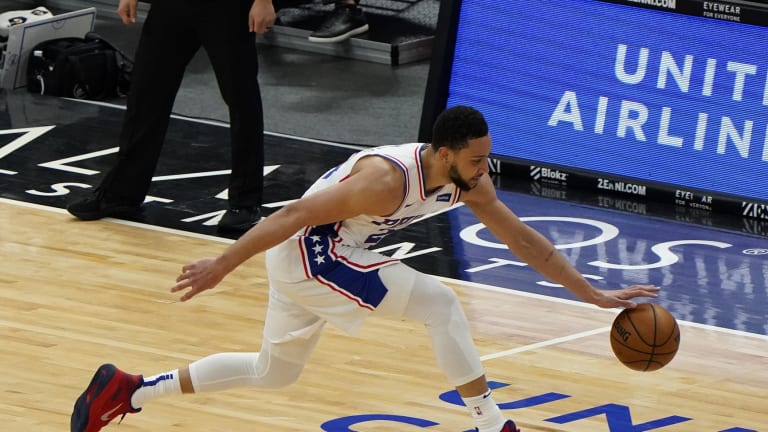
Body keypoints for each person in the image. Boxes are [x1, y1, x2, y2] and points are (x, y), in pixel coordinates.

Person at [69, 106, 661, 432]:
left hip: (320, 259)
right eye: (478, 159)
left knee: (274, 374)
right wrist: (224, 263)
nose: (486, 169)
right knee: (440, 304)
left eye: (487, 158)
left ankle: (130, 389)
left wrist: (591, 293)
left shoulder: (468, 181)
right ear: (445, 154)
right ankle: (490, 424)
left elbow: (525, 242)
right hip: (311, 252)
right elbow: (294, 214)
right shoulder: (384, 181)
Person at [66, 0, 276, 232]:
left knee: (241, 99)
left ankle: (245, 203)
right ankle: (121, 194)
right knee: (145, 93)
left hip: (226, 8)